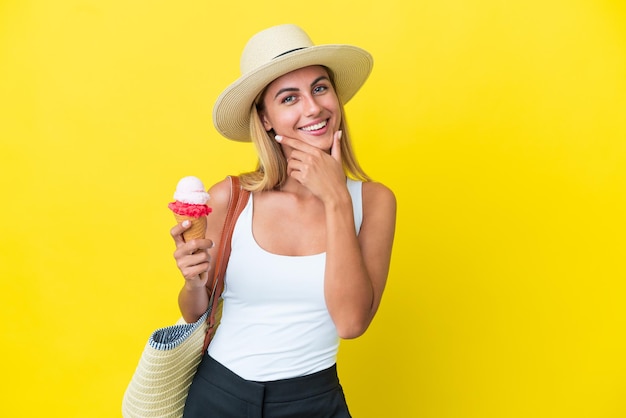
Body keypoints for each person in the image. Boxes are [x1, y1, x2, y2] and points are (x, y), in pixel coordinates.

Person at [170, 24, 396, 417]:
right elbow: (195, 313)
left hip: (313, 401)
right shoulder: (231, 198)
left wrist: (337, 200)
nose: (313, 108)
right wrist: (192, 280)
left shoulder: (374, 202)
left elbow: (351, 322)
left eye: (320, 88)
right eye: (289, 97)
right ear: (266, 118)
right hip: (218, 395)